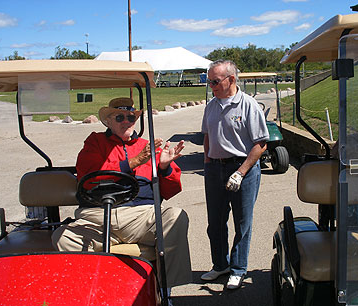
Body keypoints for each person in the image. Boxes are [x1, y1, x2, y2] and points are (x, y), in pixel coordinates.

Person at [52, 97, 192, 289]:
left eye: (131, 117)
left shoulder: (148, 146)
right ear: (108, 122)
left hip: (140, 217)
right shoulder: (95, 142)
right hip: (98, 218)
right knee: (63, 238)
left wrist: (165, 166)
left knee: (176, 217)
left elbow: (171, 190)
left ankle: (164, 288)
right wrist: (132, 163)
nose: (126, 121)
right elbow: (89, 173)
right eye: (120, 117)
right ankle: (88, 291)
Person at [200, 59, 269, 290]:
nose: (212, 85)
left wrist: (240, 172)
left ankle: (238, 269)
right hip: (214, 169)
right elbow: (207, 135)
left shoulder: (248, 105)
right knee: (215, 222)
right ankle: (220, 264)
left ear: (231, 79)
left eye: (215, 81)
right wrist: (208, 161)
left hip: (243, 169)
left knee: (242, 223)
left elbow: (261, 143)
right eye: (209, 81)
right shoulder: (211, 105)